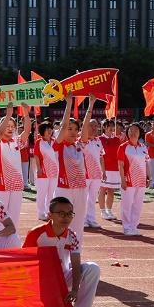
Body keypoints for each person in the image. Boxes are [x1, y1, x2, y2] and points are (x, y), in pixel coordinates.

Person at [23, 197, 100, 307]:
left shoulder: (72, 236)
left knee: (92, 268)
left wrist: (74, 289)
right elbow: (25, 262)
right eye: (61, 214)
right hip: (42, 282)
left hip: (63, 278)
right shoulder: (35, 233)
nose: (66, 217)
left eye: (70, 214)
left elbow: (75, 263)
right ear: (50, 215)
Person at [53, 96, 96, 246]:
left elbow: (85, 127)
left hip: (81, 188)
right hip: (64, 189)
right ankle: (59, 250)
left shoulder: (79, 146)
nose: (73, 132)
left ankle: (76, 250)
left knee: (78, 222)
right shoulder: (58, 146)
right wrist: (69, 104)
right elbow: (64, 125)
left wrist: (91, 104)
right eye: (69, 129)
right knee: (61, 222)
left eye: (75, 129)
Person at [0, 104, 32, 228]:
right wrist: (8, 115)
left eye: (12, 126)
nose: (10, 129)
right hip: (1, 184)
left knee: (14, 214)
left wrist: (26, 113)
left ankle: (12, 237)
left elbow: (27, 131)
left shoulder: (16, 141)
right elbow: (0, 133)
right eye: (7, 126)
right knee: (0, 215)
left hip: (16, 183)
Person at [118, 122, 149, 236]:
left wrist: (148, 177)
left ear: (140, 133)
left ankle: (134, 226)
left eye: (136, 130)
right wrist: (122, 180)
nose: (133, 133)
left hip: (141, 180)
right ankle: (127, 227)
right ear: (127, 133)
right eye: (131, 130)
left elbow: (147, 162)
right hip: (128, 180)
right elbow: (120, 165)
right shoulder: (123, 147)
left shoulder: (143, 147)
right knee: (127, 204)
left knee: (137, 204)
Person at [96, 119, 123, 221]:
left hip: (115, 169)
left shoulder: (117, 139)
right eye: (109, 126)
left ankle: (109, 210)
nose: (111, 128)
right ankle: (103, 211)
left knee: (111, 191)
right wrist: (102, 169)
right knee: (102, 190)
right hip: (104, 168)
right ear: (104, 127)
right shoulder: (99, 139)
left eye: (112, 126)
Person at [82, 118, 104, 229]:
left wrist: (103, 171)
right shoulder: (81, 140)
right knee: (83, 198)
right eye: (91, 126)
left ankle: (91, 219)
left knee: (92, 198)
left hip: (96, 174)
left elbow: (101, 157)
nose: (94, 128)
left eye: (96, 126)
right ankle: (83, 219)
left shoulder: (98, 141)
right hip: (85, 174)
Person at [34, 121, 59, 220]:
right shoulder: (39, 142)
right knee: (42, 193)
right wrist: (39, 169)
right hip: (43, 171)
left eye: (50, 129)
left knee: (51, 193)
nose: (49, 131)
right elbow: (36, 156)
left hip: (54, 171)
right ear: (42, 131)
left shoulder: (54, 141)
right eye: (47, 129)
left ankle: (49, 212)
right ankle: (41, 213)